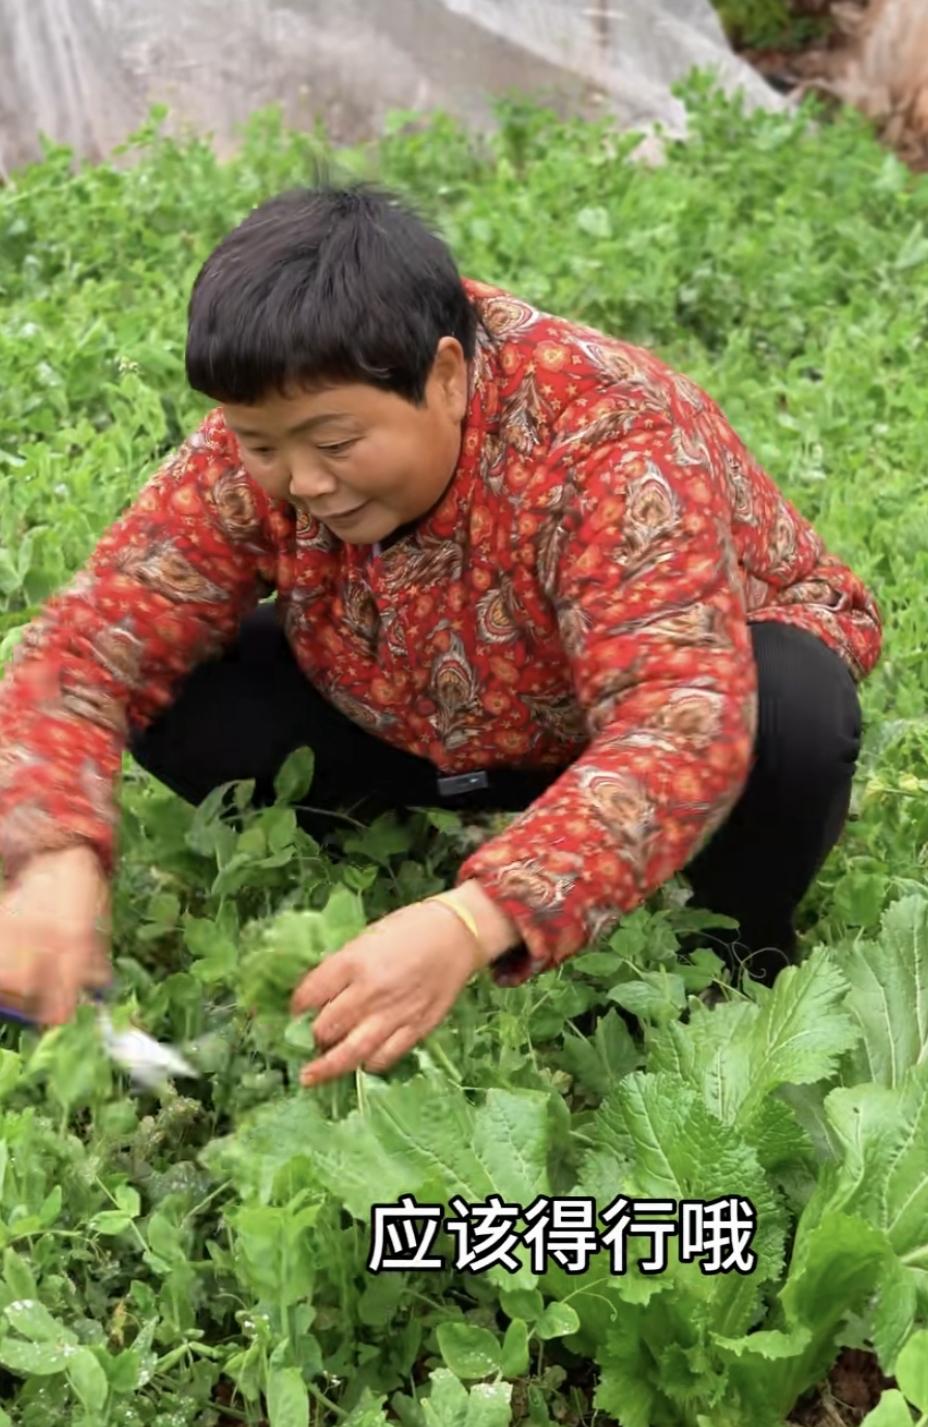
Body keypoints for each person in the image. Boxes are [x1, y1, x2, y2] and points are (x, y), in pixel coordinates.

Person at [0, 184, 880, 1086]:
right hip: (408, 702)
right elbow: (86, 641)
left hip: (619, 716)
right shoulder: (282, 417)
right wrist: (52, 854)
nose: (301, 480)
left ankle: (737, 945)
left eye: (335, 442)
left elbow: (678, 720)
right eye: (262, 444)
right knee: (177, 681)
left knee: (794, 711)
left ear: (448, 377)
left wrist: (472, 920)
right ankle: (382, 837)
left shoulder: (611, 439)